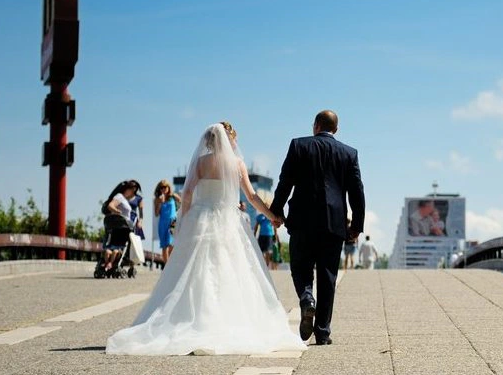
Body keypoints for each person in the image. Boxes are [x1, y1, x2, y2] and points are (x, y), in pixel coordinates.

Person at [106, 122, 307, 356]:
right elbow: (252, 197)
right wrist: (273, 216)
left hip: (200, 218)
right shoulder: (236, 164)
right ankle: (226, 318)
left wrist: (184, 219)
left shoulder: (200, 162)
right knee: (230, 267)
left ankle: (192, 316)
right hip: (228, 220)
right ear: (230, 140)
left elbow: (187, 193)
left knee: (195, 268)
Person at [270, 109, 365, 346]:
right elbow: (357, 192)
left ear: (315, 126)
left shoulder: (298, 145)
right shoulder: (349, 153)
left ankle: (306, 298)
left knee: (300, 267)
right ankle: (322, 332)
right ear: (336, 129)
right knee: (328, 276)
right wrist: (356, 226)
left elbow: (285, 182)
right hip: (334, 222)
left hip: (302, 220)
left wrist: (276, 210)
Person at [101, 181, 138, 272]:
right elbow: (111, 206)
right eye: (132, 190)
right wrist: (117, 212)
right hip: (122, 226)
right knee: (118, 248)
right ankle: (111, 264)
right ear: (127, 189)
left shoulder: (124, 199)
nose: (133, 193)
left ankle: (108, 264)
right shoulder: (120, 196)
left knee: (111, 248)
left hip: (120, 227)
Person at [153, 180, 180, 267]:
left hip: (172, 222)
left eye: (165, 187)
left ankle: (172, 264)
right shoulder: (157, 199)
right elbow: (156, 214)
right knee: (164, 245)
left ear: (168, 188)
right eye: (161, 188)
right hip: (163, 224)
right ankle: (167, 266)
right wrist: (160, 203)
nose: (163, 189)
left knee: (171, 243)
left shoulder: (173, 196)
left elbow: (181, 201)